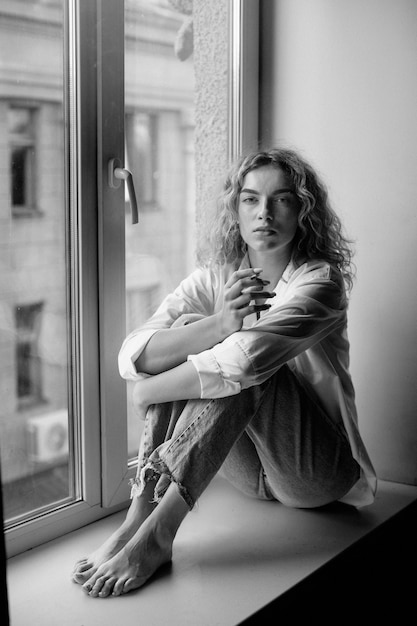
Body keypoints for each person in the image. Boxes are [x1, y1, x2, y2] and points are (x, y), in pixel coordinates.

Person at [72, 147, 376, 598]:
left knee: (247, 364)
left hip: (314, 473)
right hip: (245, 469)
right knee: (192, 329)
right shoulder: (216, 277)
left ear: (303, 210)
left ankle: (159, 534)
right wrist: (217, 323)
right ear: (235, 209)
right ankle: (139, 514)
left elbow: (244, 363)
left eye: (282, 199)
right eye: (250, 199)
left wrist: (147, 393)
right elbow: (133, 354)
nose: (264, 213)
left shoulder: (319, 283)